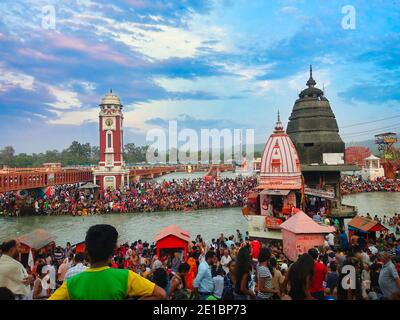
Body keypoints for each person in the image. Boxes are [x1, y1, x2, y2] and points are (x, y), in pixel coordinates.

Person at [49, 224, 166, 300]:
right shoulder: (125, 277)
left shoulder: (71, 284)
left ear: (87, 252)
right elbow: (161, 294)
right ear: (113, 252)